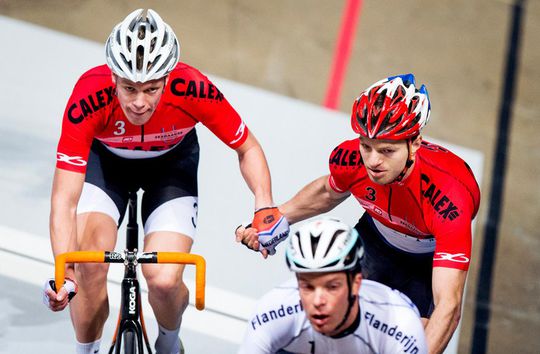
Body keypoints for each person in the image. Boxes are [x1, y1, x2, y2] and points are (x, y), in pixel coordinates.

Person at [42, 8, 287, 354]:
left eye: (151, 89)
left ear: (168, 79)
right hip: (107, 166)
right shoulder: (87, 96)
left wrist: (264, 203)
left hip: (170, 168)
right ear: (113, 77)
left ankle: (169, 345)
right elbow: (64, 200)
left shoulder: (194, 88)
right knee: (87, 267)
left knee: (164, 279)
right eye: (128, 88)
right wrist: (64, 273)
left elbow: (247, 146)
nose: (140, 102)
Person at [236, 74, 481, 354]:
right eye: (366, 146)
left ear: (414, 143)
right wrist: (277, 217)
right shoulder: (350, 159)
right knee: (326, 317)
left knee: (414, 340)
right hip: (375, 239)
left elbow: (448, 305)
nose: (374, 161)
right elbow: (328, 192)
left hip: (426, 263)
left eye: (387, 150)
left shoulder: (451, 198)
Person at [239, 217, 427, 354]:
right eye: (307, 287)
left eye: (332, 287)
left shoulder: (398, 323)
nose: (318, 301)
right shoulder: (274, 310)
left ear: (356, 284)